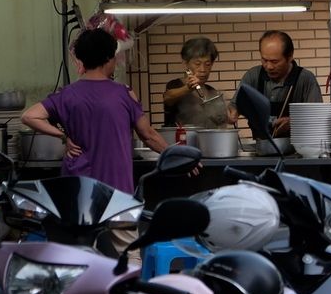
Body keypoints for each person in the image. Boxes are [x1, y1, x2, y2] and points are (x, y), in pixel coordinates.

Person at [22, 28, 167, 194]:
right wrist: (176, 155)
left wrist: (63, 137)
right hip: (115, 188)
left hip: (77, 187)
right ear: (108, 58)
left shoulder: (66, 94)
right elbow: (148, 135)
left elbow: (29, 116)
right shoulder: (124, 93)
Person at [229, 30, 322, 136]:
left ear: (290, 57)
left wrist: (294, 122)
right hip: (261, 147)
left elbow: (317, 117)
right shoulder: (253, 76)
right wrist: (232, 112)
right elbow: (235, 106)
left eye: (275, 61)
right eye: (264, 60)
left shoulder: (305, 79)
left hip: (297, 149)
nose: (269, 67)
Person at [162, 36, 230, 128]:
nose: (203, 69)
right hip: (181, 141)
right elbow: (167, 97)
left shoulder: (212, 92)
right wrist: (187, 88)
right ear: (185, 64)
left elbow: (221, 124)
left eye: (207, 64)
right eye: (197, 64)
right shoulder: (175, 85)